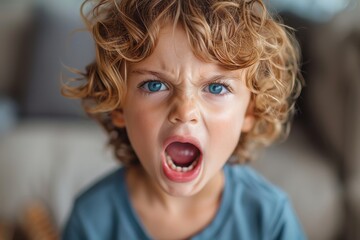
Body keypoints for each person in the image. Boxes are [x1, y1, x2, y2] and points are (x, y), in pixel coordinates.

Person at [62, 0, 306, 239]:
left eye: (216, 88)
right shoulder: (91, 219)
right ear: (118, 105)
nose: (185, 110)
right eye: (155, 85)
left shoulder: (270, 219)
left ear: (250, 112)